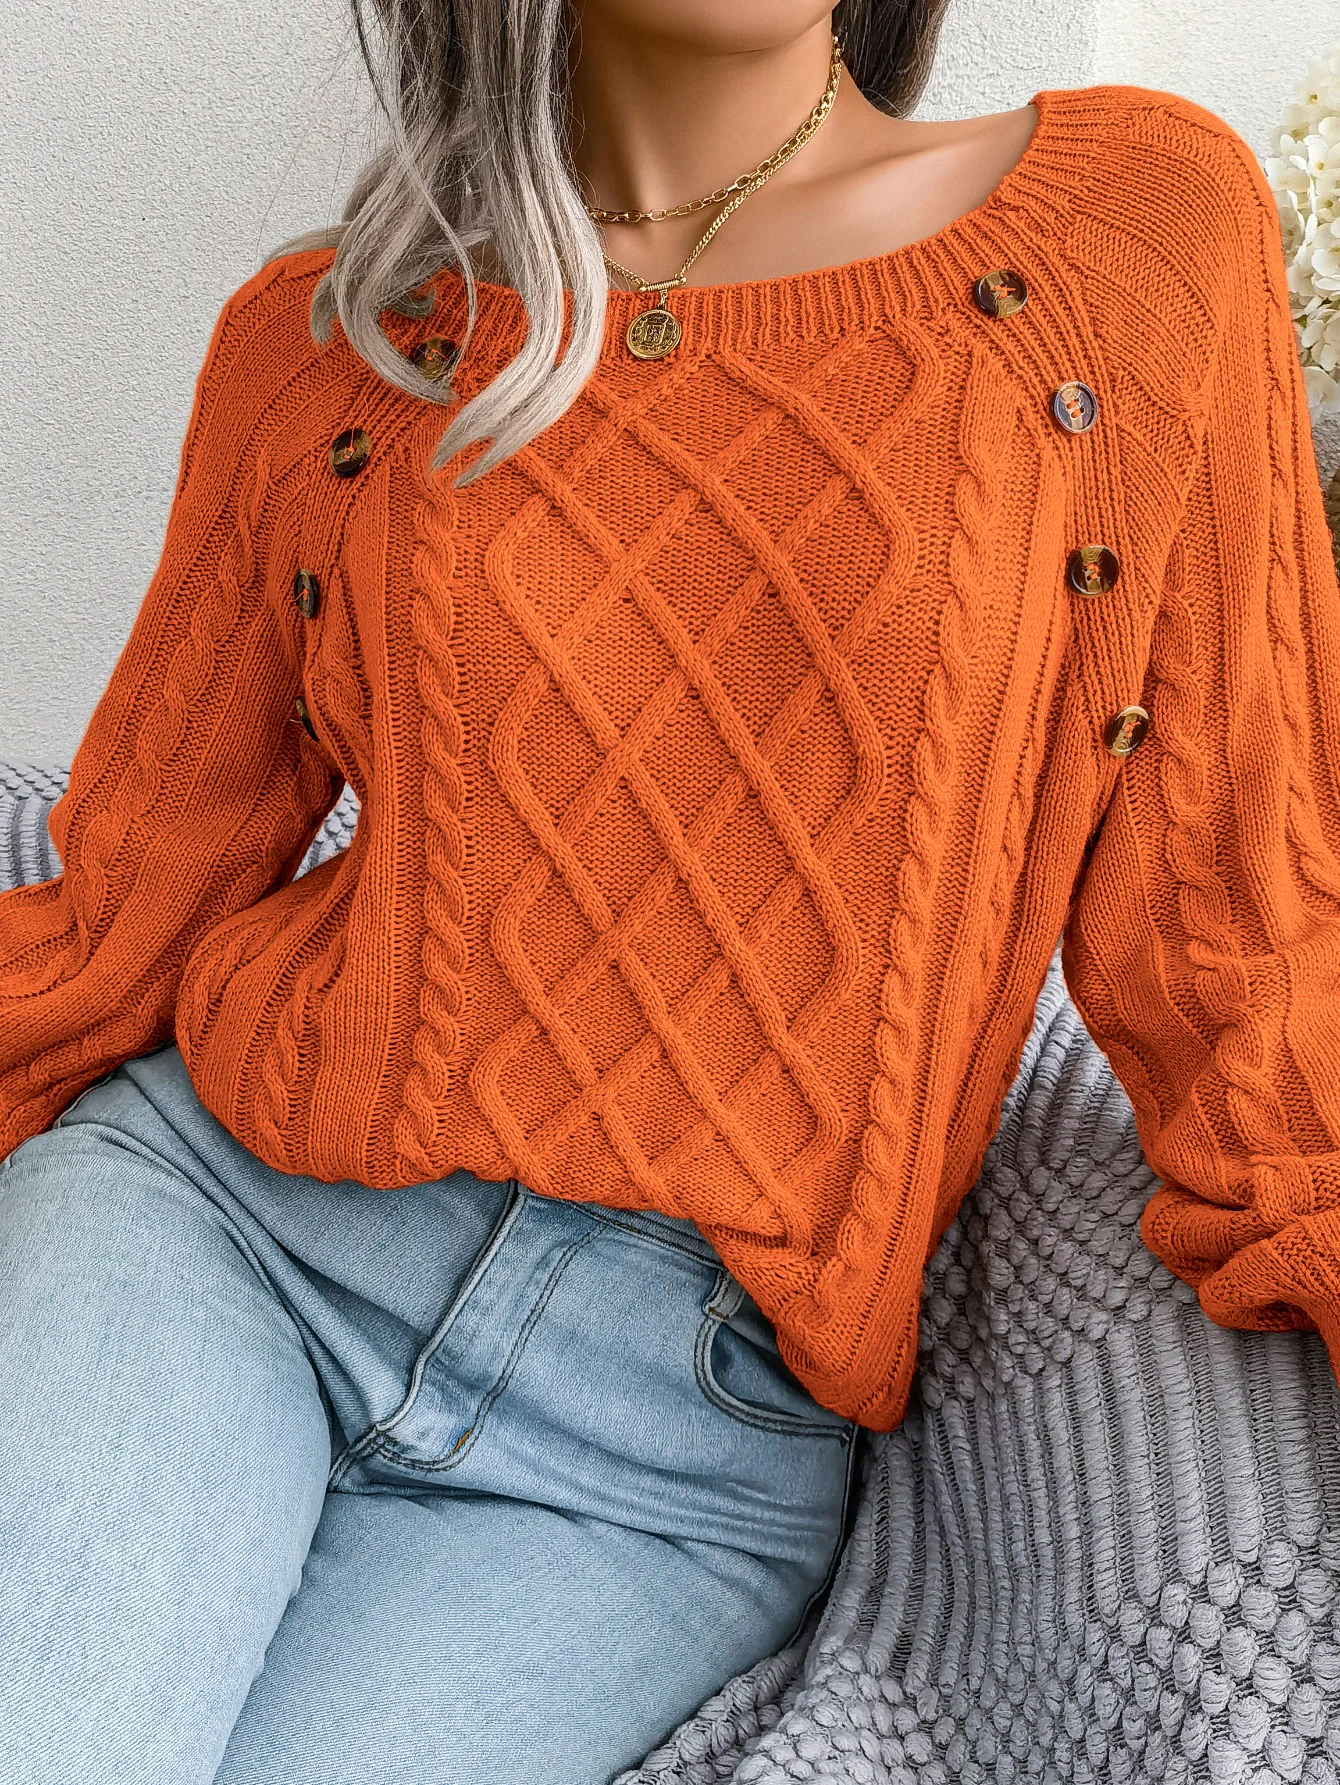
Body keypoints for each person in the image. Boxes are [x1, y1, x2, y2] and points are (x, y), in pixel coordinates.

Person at [2, 2, 1338, 1781]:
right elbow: (116, 917)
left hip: (667, 1459)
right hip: (219, 1228)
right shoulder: (333, 344)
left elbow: (1243, 938)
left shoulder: (1126, 235)